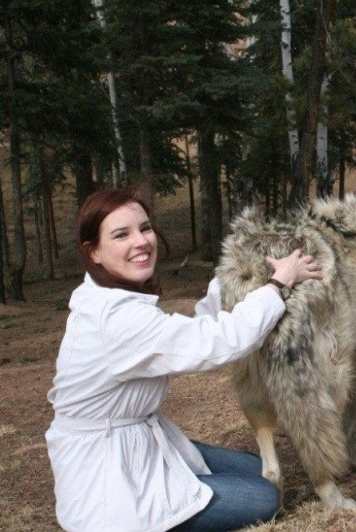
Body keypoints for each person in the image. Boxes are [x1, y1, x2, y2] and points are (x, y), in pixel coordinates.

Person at [45, 185, 323, 532]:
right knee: (263, 496)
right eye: (121, 235)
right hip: (107, 472)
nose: (141, 242)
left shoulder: (108, 295)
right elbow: (217, 343)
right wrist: (279, 282)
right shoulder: (116, 320)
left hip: (135, 442)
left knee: (255, 467)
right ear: (94, 252)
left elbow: (187, 333)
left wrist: (233, 275)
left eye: (145, 228)